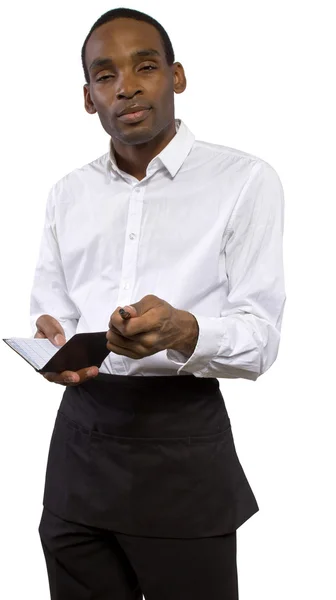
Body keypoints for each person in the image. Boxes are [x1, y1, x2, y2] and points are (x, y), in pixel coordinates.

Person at [30, 7, 286, 599]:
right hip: (80, 448)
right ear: (89, 98)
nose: (127, 86)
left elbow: (261, 340)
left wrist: (181, 330)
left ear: (177, 76)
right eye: (105, 75)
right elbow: (56, 311)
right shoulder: (67, 194)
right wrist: (51, 344)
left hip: (182, 446)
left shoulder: (245, 181)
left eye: (145, 66)